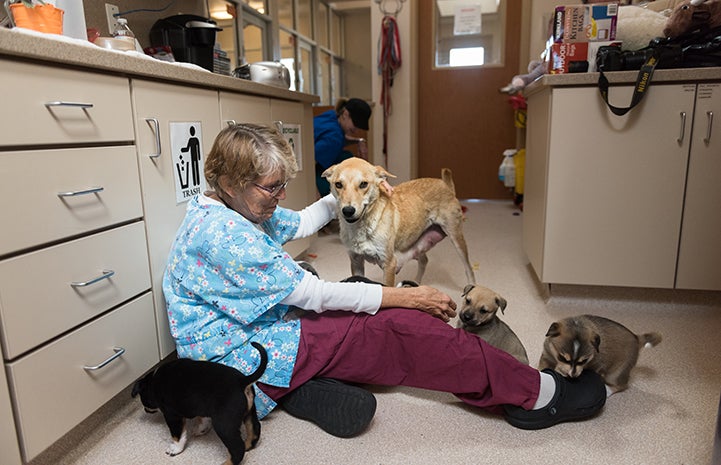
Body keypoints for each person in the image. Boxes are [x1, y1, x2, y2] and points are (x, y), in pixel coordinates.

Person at [162, 123, 607, 438]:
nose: (279, 198)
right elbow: (313, 294)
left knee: (367, 301)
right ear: (229, 180)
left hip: (248, 334)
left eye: (282, 187)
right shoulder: (226, 237)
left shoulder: (224, 207)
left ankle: (295, 385)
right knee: (399, 324)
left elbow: (300, 222)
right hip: (242, 357)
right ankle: (535, 395)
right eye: (272, 188)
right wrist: (402, 299)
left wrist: (355, 188)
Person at [314, 98, 371, 196]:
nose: (356, 130)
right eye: (355, 125)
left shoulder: (331, 115)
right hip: (309, 171)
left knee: (346, 156)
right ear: (345, 114)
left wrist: (358, 141)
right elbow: (309, 159)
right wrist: (315, 193)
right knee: (348, 163)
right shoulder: (334, 138)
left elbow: (335, 139)